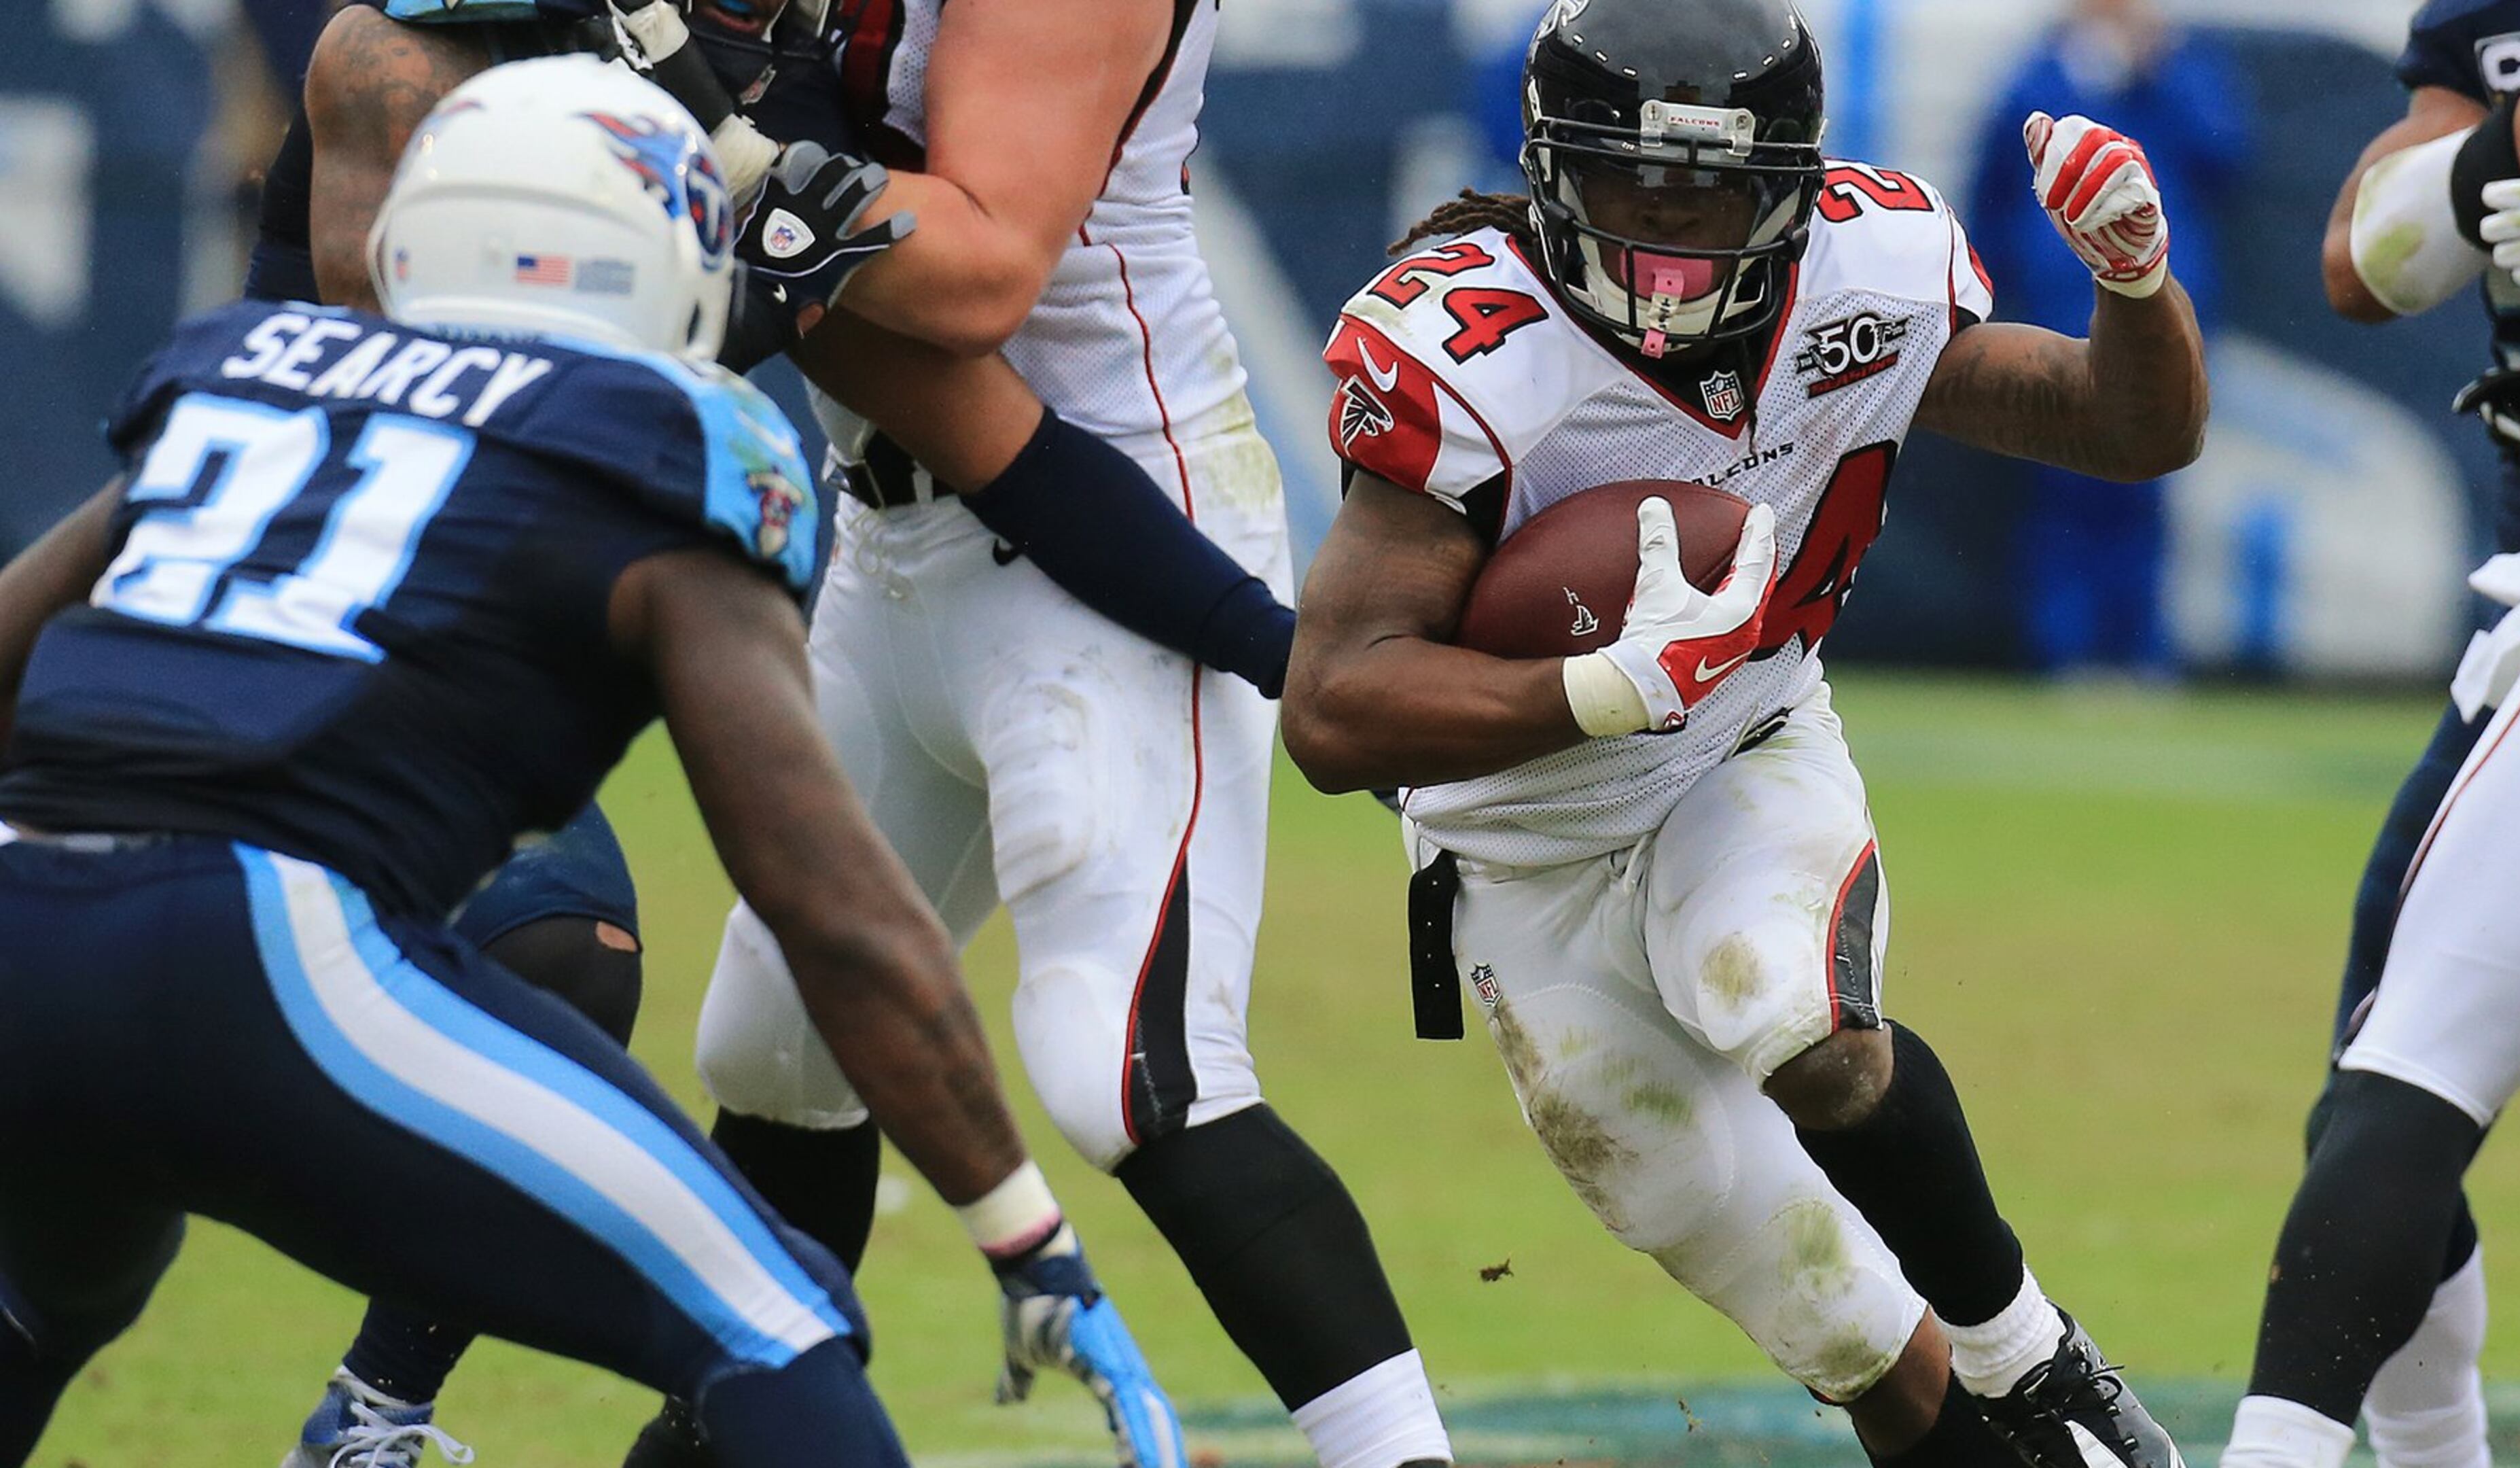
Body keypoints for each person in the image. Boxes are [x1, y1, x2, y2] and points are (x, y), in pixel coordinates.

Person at [0, 54, 1171, 1468]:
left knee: (61, 1283)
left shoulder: (246, 366)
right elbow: (829, 903)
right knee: (776, 1324)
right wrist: (1024, 1234)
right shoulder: (663, 438)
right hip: (258, 943)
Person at [253, 3, 1318, 1463]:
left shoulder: (751, 115)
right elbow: (301, 379)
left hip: (410, 663)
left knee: (572, 950)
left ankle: (371, 1413)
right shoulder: (398, 76)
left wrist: (1282, 656)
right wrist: (1030, 1247)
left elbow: (992, 441)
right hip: (309, 631)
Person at [1281, 1, 2208, 1467]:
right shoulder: (1470, 346)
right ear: (1550, 169)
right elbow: (1334, 711)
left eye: (1711, 189)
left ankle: (2034, 1359)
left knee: (1793, 1016)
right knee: (1842, 1329)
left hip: (1738, 748)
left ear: (1791, 186)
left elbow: (2127, 429)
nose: (1667, 226)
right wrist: (1600, 688)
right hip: (1517, 855)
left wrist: (2136, 284)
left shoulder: (1867, 268)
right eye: (1631, 179)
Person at [673, 3, 1463, 1467]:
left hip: (1110, 514)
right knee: (778, 1046)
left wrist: (725, 147)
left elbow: (978, 269)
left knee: (1130, 1060)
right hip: (888, 530)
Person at [2221, 9, 2520, 1468]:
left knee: (2408, 1072)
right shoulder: (2508, 32)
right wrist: (2489, 176)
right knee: (2391, 1084)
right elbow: (2364, 260)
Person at [1964, 0, 2246, 677]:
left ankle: (2138, 648)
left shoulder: (2181, 66)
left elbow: (2226, 155)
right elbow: (1992, 194)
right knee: (2062, 479)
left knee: (2149, 473)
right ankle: (2065, 649)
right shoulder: (2037, 74)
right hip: (2058, 298)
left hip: (2161, 299)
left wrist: (2157, 73)